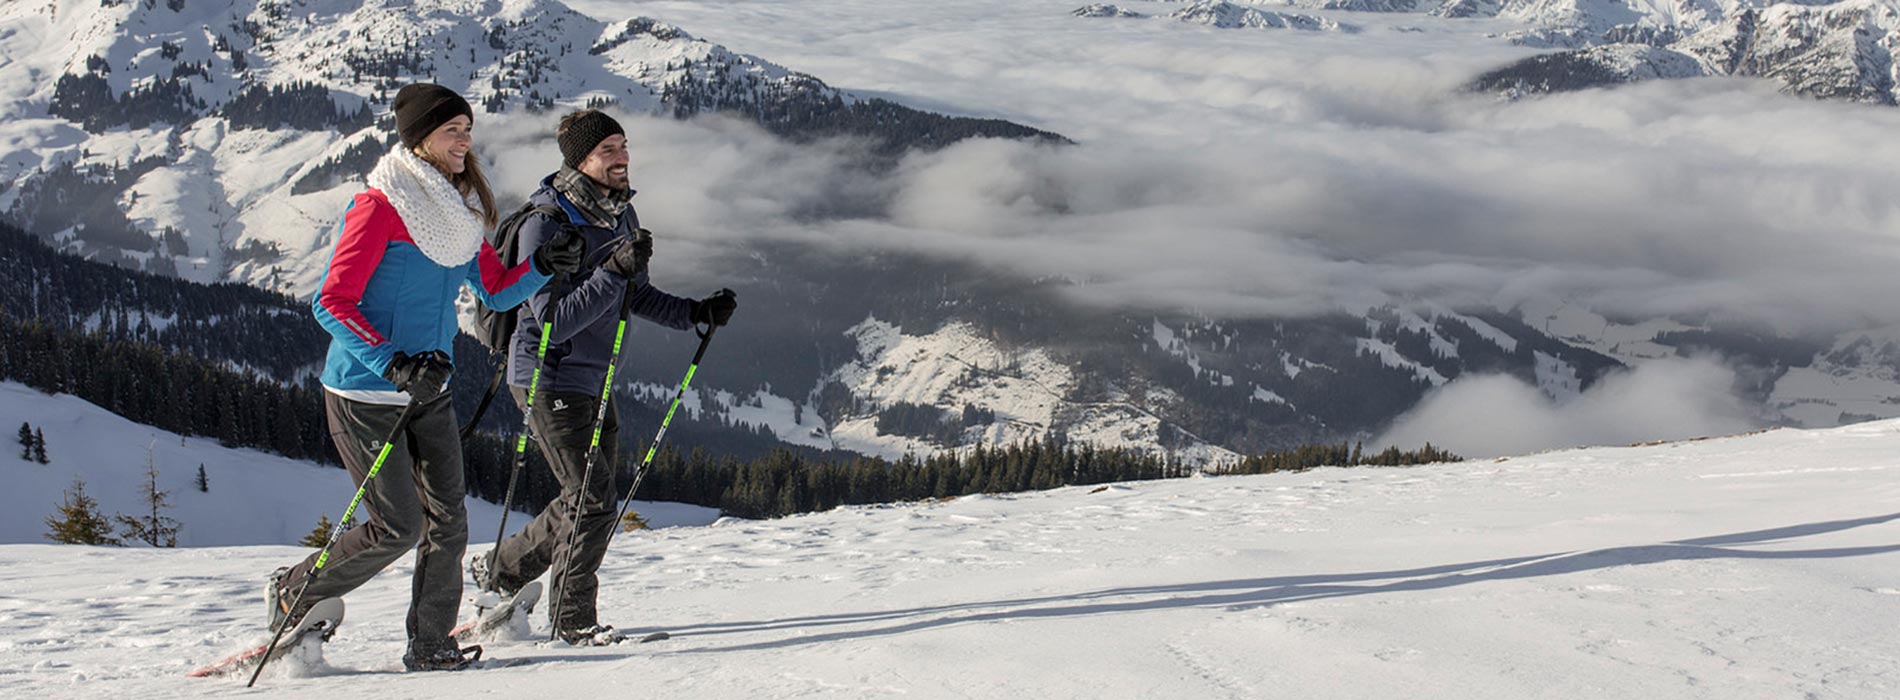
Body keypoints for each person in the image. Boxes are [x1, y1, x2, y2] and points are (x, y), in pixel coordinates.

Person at [274, 83, 585, 671]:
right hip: (366, 393)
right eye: (453, 131)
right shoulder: (379, 207)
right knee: (396, 526)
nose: (465, 141)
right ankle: (294, 591)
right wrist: (393, 362)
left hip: (429, 392)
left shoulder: (459, 215)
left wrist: (543, 267)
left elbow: (493, 289)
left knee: (449, 522)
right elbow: (331, 302)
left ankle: (431, 642)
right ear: (420, 139)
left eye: (468, 129)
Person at [474, 109, 737, 645]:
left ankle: (499, 571)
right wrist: (610, 270)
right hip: (547, 376)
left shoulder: (620, 214)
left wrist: (693, 313)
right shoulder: (546, 225)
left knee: (586, 496)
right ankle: (573, 621)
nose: (622, 158)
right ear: (580, 159)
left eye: (623, 145)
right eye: (608, 150)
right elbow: (551, 321)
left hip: (594, 375)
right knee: (592, 499)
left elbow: (631, 294)